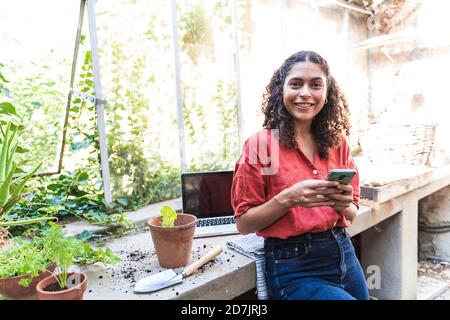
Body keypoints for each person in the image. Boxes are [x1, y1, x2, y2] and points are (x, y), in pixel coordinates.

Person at [231, 50, 369, 300]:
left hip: (343, 253)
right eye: (296, 84)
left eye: (316, 85)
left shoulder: (337, 142)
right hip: (294, 265)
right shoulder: (262, 145)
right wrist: (288, 199)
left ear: (327, 93)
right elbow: (243, 223)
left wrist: (343, 203)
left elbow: (352, 212)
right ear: (281, 90)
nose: (305, 93)